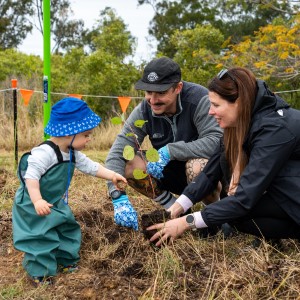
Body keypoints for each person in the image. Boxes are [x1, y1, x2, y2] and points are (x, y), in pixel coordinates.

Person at [147, 67, 300, 246]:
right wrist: (175, 209)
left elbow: (244, 200)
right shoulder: (239, 123)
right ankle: (275, 235)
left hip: (292, 188)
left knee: (237, 207)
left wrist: (185, 223)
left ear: (240, 102)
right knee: (234, 214)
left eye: (216, 105)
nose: (210, 111)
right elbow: (210, 173)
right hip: (286, 191)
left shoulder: (274, 130)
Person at [12, 97, 127, 286]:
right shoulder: (44, 153)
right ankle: (40, 271)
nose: (89, 139)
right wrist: (37, 200)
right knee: (40, 236)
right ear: (69, 133)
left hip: (54, 201)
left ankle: (65, 260)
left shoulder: (72, 152)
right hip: (33, 203)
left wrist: (112, 175)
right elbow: (30, 177)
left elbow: (91, 167)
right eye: (86, 135)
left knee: (68, 227)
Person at [105, 57, 223, 230]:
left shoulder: (200, 100)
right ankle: (175, 209)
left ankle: (212, 216)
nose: (153, 100)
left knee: (197, 166)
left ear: (178, 88)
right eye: (148, 92)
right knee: (130, 163)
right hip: (169, 170)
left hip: (206, 173)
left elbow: (216, 142)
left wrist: (170, 150)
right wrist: (117, 195)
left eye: (160, 93)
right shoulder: (145, 110)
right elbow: (118, 151)